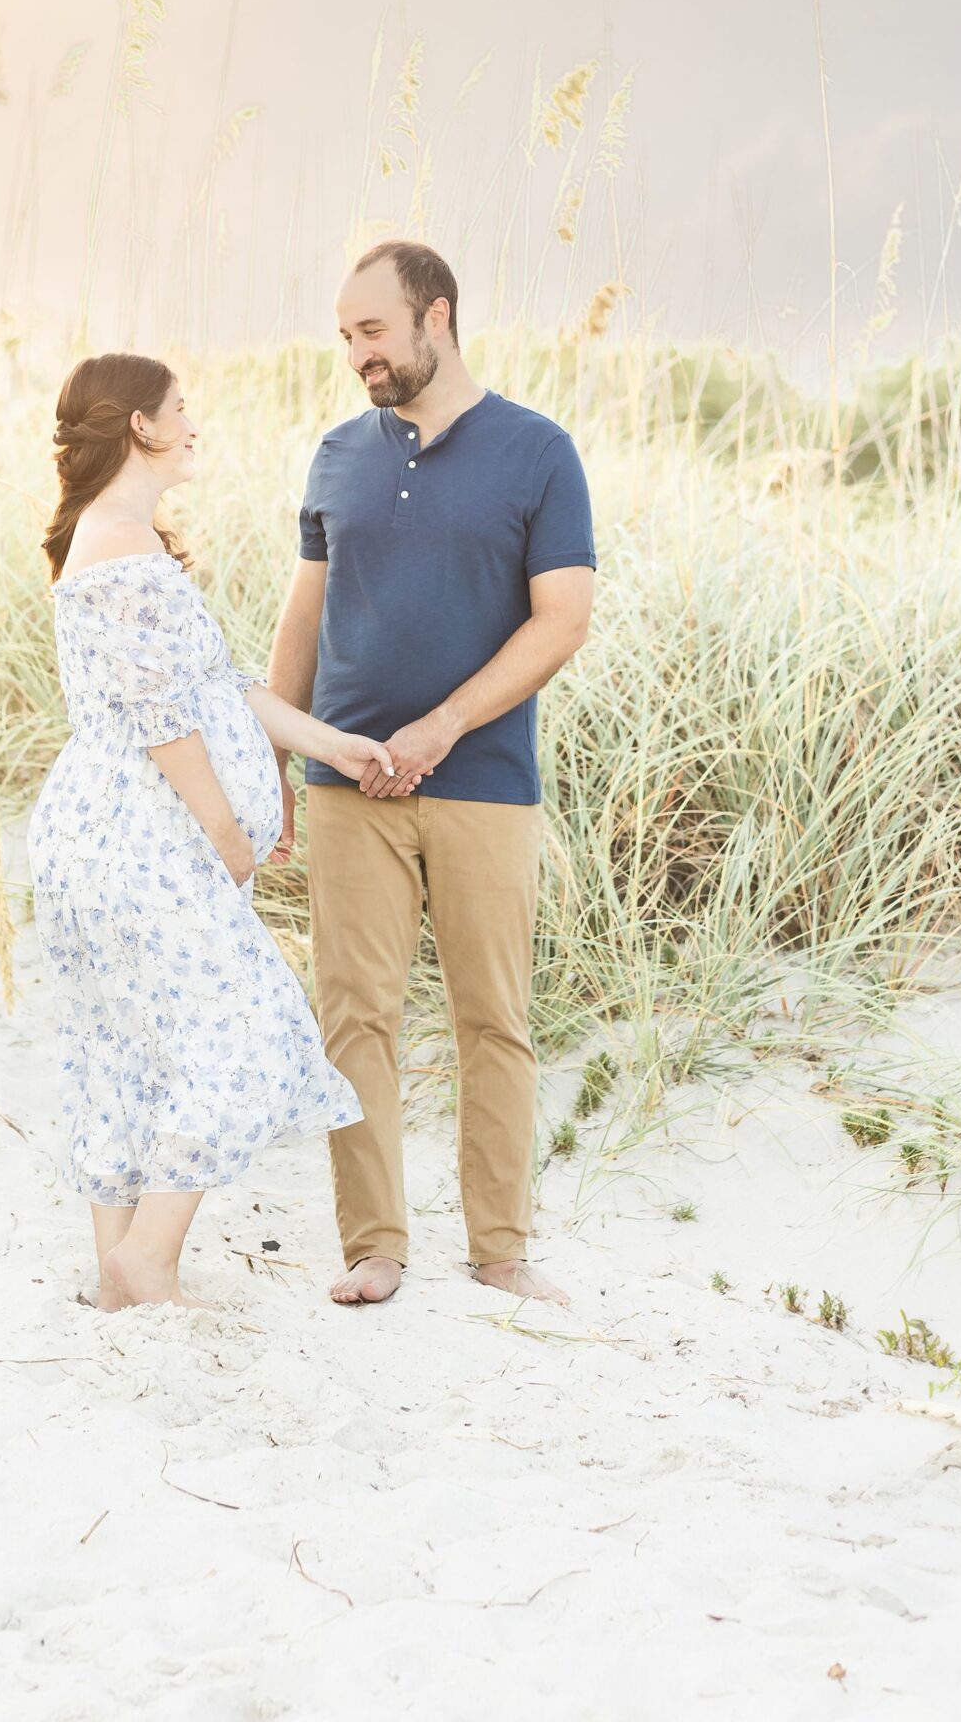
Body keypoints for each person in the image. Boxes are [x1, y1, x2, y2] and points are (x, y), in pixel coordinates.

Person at [28, 351, 405, 1311]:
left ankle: (120, 1276)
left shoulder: (114, 534)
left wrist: (339, 745)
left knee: (122, 1047)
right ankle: (148, 1257)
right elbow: (164, 716)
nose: (194, 423)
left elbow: (222, 687)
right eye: (181, 408)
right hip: (140, 840)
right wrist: (228, 831)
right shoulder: (121, 544)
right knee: (249, 1033)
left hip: (105, 840)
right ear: (141, 426)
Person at [268, 241, 595, 1309]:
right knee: (352, 1016)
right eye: (345, 335)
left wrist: (445, 725)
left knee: (491, 1017)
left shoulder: (538, 452)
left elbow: (564, 620)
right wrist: (277, 751)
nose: (356, 353)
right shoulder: (336, 455)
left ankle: (500, 1249)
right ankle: (375, 1246)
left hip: (483, 780)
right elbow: (304, 613)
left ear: (436, 317)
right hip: (348, 783)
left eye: (372, 331)